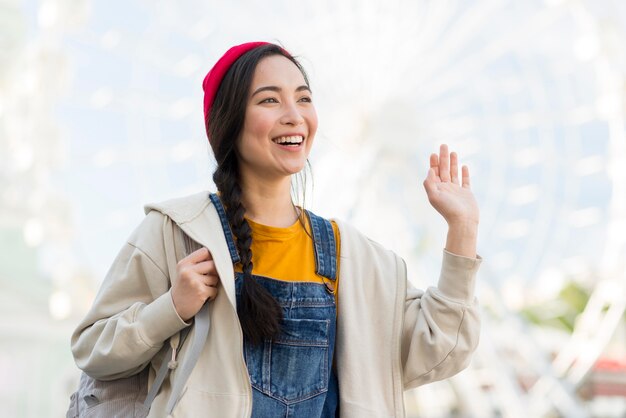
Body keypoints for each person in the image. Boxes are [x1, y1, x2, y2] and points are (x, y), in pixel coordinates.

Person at [71, 41, 482, 417]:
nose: (294, 115)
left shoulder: (348, 255)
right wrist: (172, 308)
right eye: (270, 100)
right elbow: (93, 351)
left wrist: (462, 228)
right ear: (231, 122)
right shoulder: (177, 232)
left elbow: (440, 349)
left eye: (304, 99)